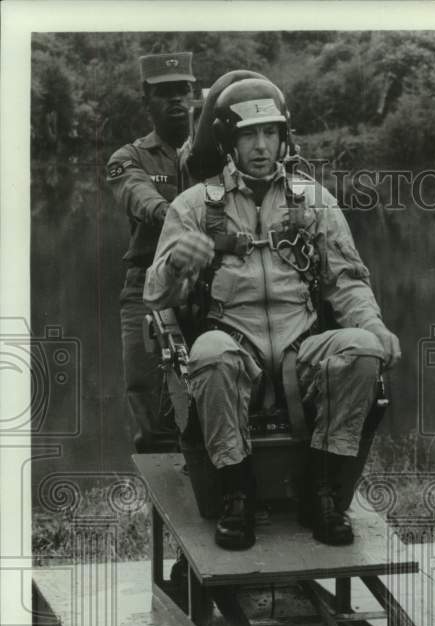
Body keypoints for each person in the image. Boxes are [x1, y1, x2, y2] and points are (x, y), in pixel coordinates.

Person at [145, 77, 401, 549]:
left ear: (284, 137)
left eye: (270, 133)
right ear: (229, 141)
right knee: (210, 352)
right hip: (232, 345)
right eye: (249, 135)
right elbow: (157, 296)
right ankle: (236, 493)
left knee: (364, 349)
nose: (261, 146)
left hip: (302, 349)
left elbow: (346, 281)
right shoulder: (194, 206)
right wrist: (178, 261)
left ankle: (322, 491)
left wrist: (373, 324)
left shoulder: (314, 201)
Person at [106, 52, 197, 452]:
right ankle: (164, 481)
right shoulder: (128, 157)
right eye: (164, 93)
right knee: (149, 398)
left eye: (183, 90)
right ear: (147, 100)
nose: (176, 99)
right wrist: (172, 213)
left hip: (209, 282)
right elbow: (135, 193)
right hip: (146, 284)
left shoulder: (217, 155)